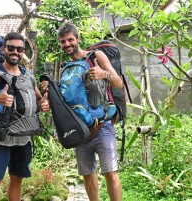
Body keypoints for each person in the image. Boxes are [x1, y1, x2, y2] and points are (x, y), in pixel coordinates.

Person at [41, 22, 123, 201]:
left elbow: (118, 83)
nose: (67, 44)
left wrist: (104, 74)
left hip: (102, 126)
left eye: (70, 40)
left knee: (110, 172)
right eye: (63, 42)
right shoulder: (64, 70)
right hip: (81, 130)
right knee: (88, 174)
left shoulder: (96, 56)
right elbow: (63, 102)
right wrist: (47, 101)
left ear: (78, 39)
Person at [0, 32, 49, 201]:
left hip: (24, 139)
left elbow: (39, 100)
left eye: (19, 49)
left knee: (17, 179)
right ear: (3, 49)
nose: (15, 52)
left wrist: (44, 104)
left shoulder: (29, 76)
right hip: (1, 138)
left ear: (23, 51)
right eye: (11, 48)